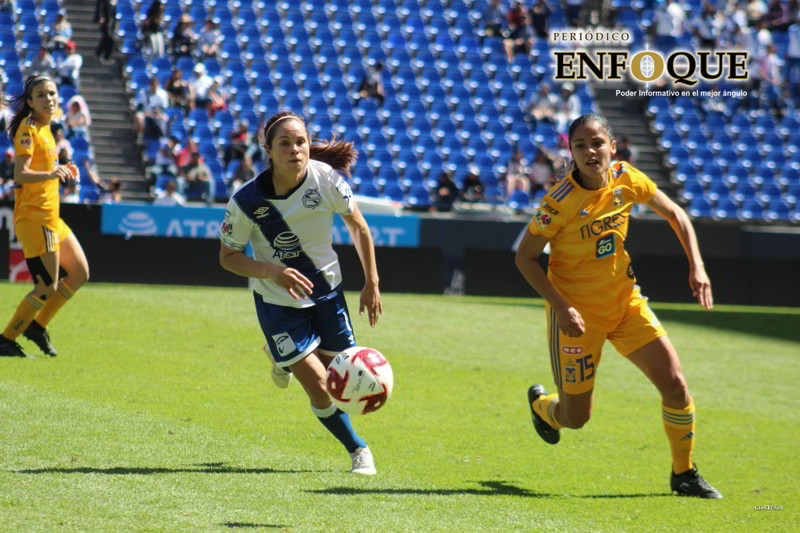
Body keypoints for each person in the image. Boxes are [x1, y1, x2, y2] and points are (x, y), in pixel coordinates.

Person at [515, 113, 722, 499]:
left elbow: (677, 214)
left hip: (626, 304)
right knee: (576, 419)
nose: (590, 151)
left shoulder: (627, 177)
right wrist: (560, 306)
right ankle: (544, 407)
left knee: (675, 384)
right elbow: (524, 258)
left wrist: (697, 266)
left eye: (597, 143)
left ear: (612, 146)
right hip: (576, 318)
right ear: (571, 153)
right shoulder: (556, 203)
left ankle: (685, 473)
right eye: (580, 145)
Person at [218, 111, 383, 475]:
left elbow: (359, 227)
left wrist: (371, 282)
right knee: (322, 386)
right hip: (279, 304)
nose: (295, 149)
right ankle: (358, 450)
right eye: (285, 143)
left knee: (341, 380)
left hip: (327, 295)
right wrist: (274, 272)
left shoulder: (326, 180)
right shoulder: (246, 202)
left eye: (301, 142)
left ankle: (280, 358)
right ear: (268, 151)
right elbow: (228, 258)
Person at [1, 75, 90, 358]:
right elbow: (20, 173)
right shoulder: (28, 129)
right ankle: (6, 338)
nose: (48, 98)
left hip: (51, 217)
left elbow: (41, 166)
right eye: (41, 95)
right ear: (29, 102)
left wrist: (61, 168)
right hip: (34, 217)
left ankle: (37, 326)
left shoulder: (46, 127)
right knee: (45, 286)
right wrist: (52, 173)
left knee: (78, 273)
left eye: (51, 93)